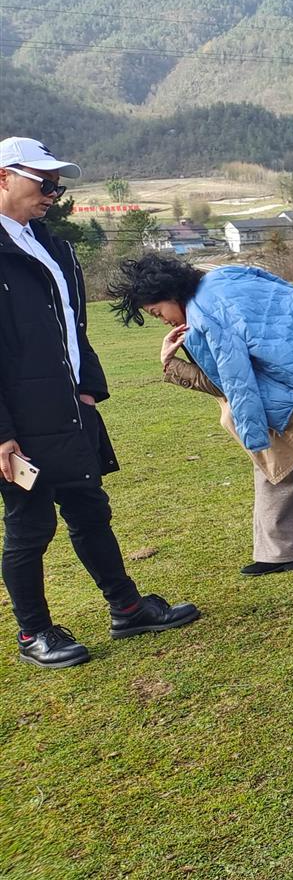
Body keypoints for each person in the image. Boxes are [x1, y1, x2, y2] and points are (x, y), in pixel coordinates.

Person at [0, 137, 199, 669]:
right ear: (3, 177)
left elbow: (73, 328)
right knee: (29, 525)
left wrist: (89, 388)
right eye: (43, 182)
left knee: (91, 511)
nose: (53, 192)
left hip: (70, 408)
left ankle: (128, 609)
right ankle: (33, 634)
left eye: (58, 183)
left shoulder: (54, 246)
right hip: (19, 420)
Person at [109, 255, 293, 576]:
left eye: (157, 312)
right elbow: (280, 288)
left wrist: (172, 365)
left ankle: (278, 553)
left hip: (289, 388)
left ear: (171, 294)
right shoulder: (222, 277)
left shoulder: (204, 317)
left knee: (274, 467)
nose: (162, 320)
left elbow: (233, 383)